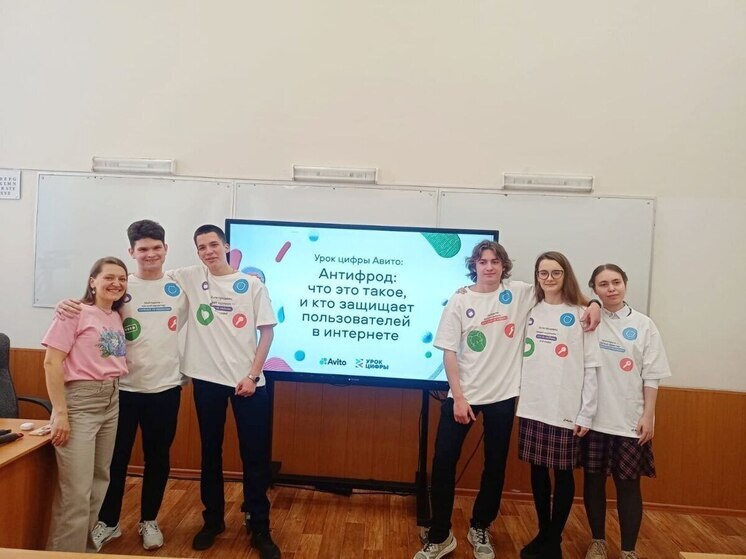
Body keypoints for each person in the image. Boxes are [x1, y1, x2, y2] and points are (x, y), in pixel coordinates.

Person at [414, 241, 601, 559]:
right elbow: (449, 352)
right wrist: (458, 397)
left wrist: (593, 303)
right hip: (463, 396)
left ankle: (480, 526)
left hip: (503, 396)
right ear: (474, 265)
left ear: (503, 266)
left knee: (495, 465)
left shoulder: (520, 292)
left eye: (495, 261)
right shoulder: (460, 299)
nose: (489, 267)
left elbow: (562, 291)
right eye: (483, 261)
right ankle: (441, 534)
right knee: (443, 462)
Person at [168, 224, 279, 559]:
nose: (208, 252)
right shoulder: (190, 277)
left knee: (254, 456)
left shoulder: (252, 284)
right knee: (210, 453)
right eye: (201, 247)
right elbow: (147, 277)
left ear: (226, 246)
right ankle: (212, 521)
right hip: (207, 382)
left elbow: (267, 333)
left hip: (248, 382)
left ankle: (259, 526)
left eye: (213, 245)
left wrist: (252, 375)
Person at [581, 264, 671, 559]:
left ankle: (628, 550)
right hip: (594, 419)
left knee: (629, 486)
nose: (611, 289)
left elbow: (652, 375)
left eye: (616, 282)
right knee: (593, 483)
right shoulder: (588, 320)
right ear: (594, 289)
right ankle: (597, 542)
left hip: (630, 420)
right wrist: (592, 305)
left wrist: (648, 416)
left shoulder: (644, 325)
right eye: (603, 284)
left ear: (625, 284)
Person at [516, 252, 601, 559]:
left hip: (566, 408)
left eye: (556, 273)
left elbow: (591, 367)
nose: (549, 278)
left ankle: (554, 540)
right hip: (533, 405)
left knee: (563, 474)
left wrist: (586, 412)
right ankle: (544, 532)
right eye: (543, 273)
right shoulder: (529, 308)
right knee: (538, 471)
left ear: (566, 275)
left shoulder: (582, 313)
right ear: (536, 276)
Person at [42, 257, 129, 552]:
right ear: (93, 281)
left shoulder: (115, 315)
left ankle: (86, 552)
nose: (116, 283)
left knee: (98, 483)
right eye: (109, 277)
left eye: (122, 278)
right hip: (80, 402)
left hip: (112, 400)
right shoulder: (73, 313)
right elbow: (51, 362)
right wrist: (60, 413)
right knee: (76, 493)